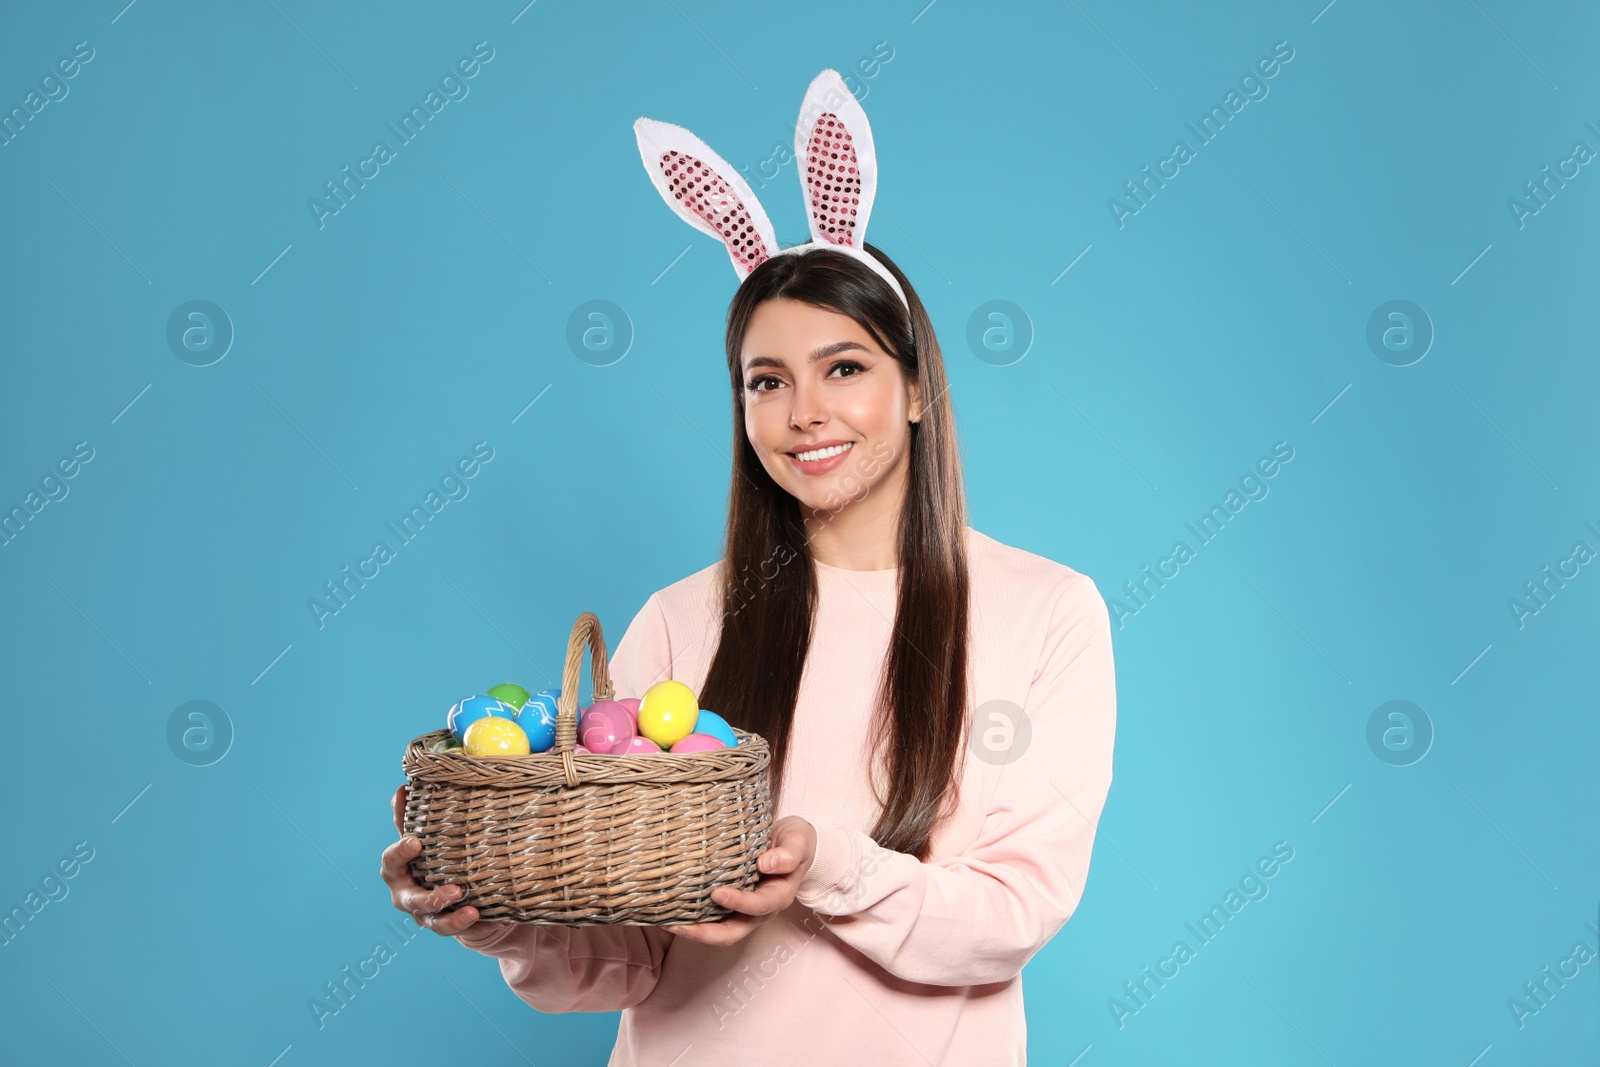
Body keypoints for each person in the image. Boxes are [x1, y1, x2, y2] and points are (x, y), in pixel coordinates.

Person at [381, 70, 1116, 1065]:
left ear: (913, 387)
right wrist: (500, 912)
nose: (803, 411)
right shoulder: (682, 619)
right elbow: (629, 956)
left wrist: (822, 860)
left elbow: (1011, 910)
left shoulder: (1045, 612)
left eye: (843, 367)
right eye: (766, 381)